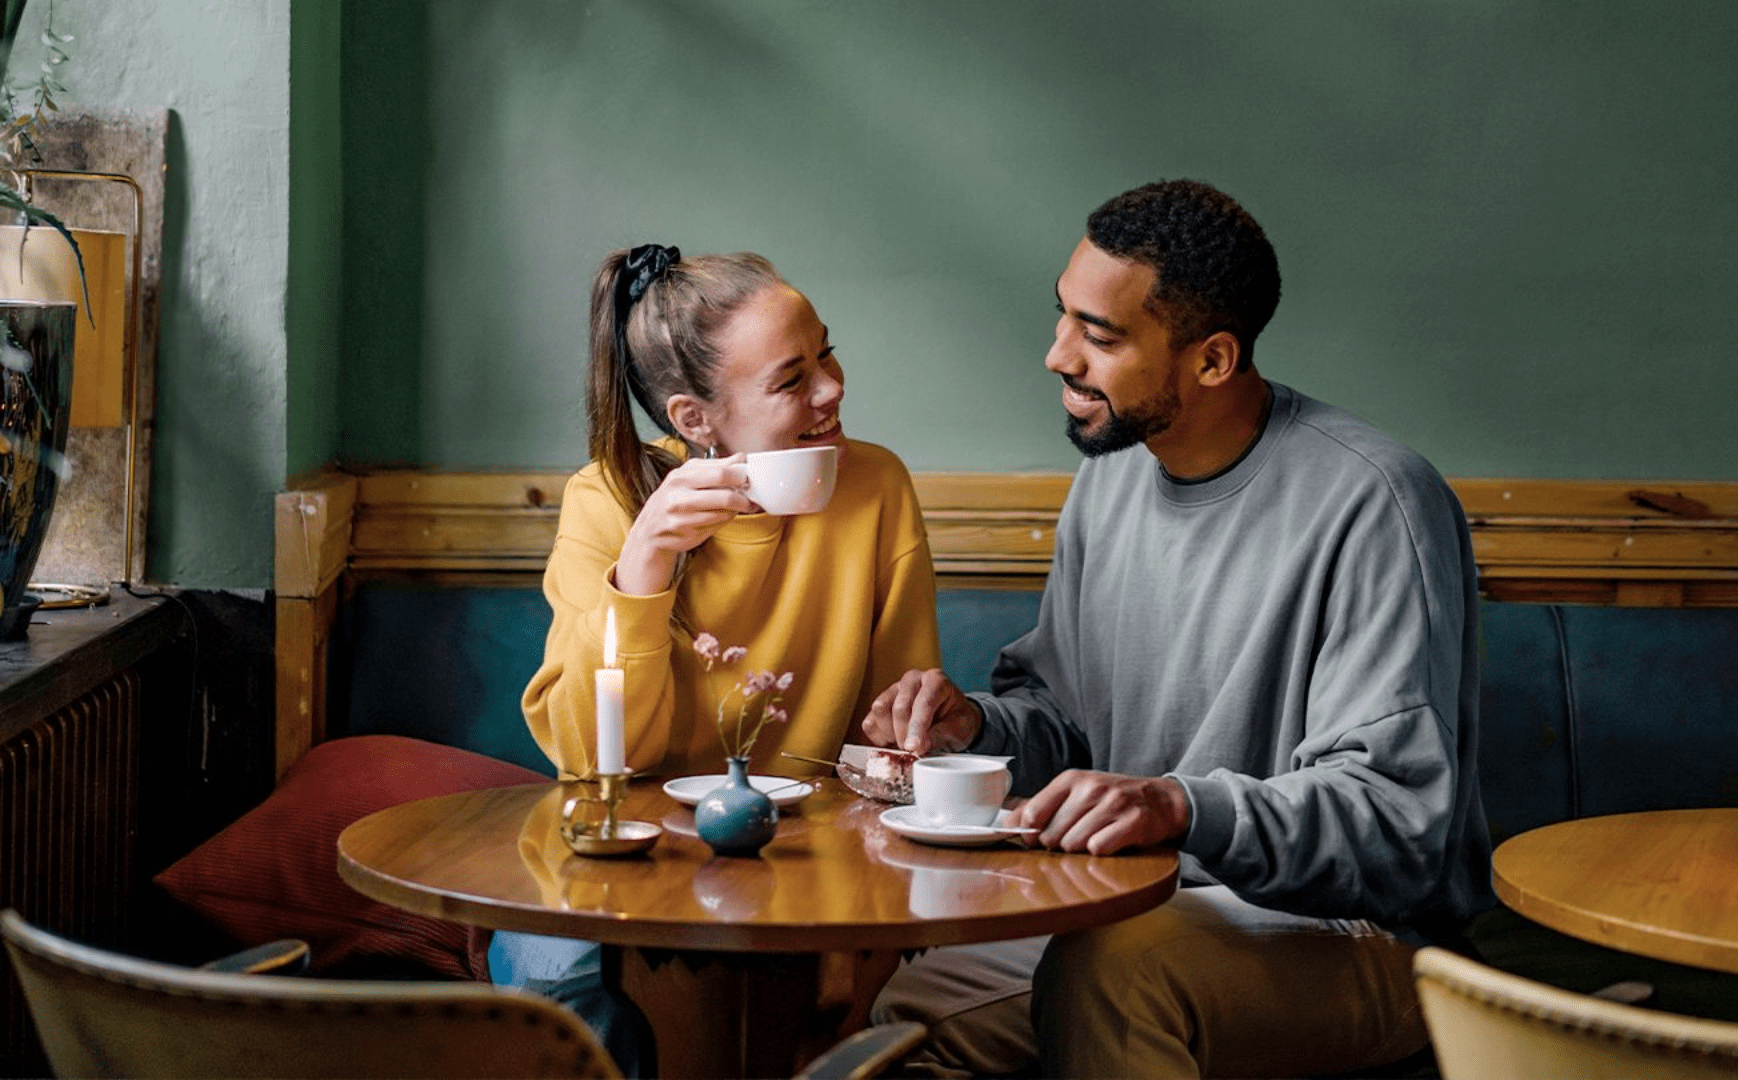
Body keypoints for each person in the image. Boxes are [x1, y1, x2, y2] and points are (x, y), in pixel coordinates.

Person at [865, 181, 1494, 1078]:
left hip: (1366, 936)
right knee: (908, 1016)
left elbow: (1392, 825)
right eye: (1063, 319)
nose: (1056, 357)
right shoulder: (1113, 475)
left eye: (1101, 336)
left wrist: (1181, 805)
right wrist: (977, 729)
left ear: (1211, 360)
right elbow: (1065, 721)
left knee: (1116, 973)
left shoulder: (1376, 502)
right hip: (1145, 906)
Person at [496, 245, 943, 1074]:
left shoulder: (875, 486)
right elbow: (589, 759)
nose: (833, 388)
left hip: (811, 867)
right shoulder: (606, 499)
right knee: (575, 1007)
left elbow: (893, 747)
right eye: (790, 380)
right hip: (620, 869)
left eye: (826, 354)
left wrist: (921, 723)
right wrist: (644, 567)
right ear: (695, 421)